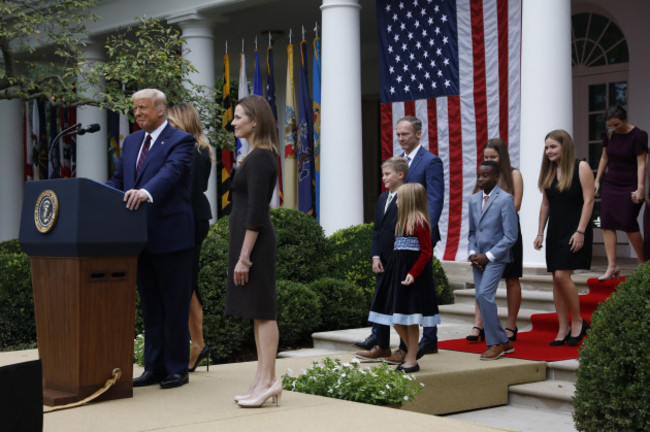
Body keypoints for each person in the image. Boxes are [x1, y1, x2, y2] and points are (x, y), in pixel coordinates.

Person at [106, 88, 195, 389]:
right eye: (135, 109)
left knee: (174, 305)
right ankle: (153, 366)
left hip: (171, 237)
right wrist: (100, 197)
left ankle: (176, 368)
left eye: (143, 108)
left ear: (161, 110)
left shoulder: (180, 140)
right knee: (151, 306)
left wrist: (146, 192)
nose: (138, 113)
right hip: (139, 239)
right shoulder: (131, 142)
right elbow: (119, 179)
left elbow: (170, 173)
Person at [354, 116, 444, 363]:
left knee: (410, 297)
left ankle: (415, 347)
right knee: (385, 294)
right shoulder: (394, 166)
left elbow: (434, 200)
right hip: (389, 243)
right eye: (398, 135)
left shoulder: (430, 162)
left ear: (418, 134)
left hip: (414, 239)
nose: (401, 138)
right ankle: (380, 341)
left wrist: (422, 229)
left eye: (405, 134)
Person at [226, 95, 281, 408]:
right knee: (258, 314)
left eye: (238, 117)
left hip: (255, 245)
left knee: (263, 310)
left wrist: (245, 257)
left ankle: (270, 380)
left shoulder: (261, 157)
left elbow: (257, 212)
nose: (233, 122)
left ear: (255, 121)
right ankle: (262, 379)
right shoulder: (253, 156)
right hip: (247, 242)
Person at [368, 183, 440, 373]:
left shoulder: (420, 222)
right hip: (397, 274)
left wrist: (413, 273)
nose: (397, 201)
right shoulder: (400, 222)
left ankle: (411, 358)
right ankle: (413, 351)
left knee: (410, 318)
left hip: (412, 277)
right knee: (396, 317)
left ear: (408, 201)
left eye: (399, 198)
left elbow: (426, 252)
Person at [534, 130, 594, 346]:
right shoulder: (549, 171)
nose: (548, 151)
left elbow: (589, 201)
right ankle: (563, 326)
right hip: (555, 230)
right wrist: (540, 232)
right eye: (547, 147)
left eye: (553, 147)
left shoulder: (581, 167)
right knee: (556, 280)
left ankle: (578, 321)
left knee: (561, 276)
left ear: (564, 146)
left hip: (575, 228)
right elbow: (546, 204)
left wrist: (581, 231)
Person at [167, 103, 213, 372]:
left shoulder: (195, 152)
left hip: (190, 220)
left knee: (187, 282)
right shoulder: (192, 149)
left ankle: (197, 343)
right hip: (186, 219)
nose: (167, 126)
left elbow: (188, 189)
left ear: (183, 123)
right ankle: (196, 343)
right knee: (186, 282)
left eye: (172, 122)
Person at [466, 139, 523, 343]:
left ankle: (505, 332)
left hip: (502, 242)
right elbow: (473, 229)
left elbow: (513, 211)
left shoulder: (510, 181)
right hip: (481, 249)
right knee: (482, 294)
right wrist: (472, 251)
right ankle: (483, 328)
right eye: (486, 157)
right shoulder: (477, 193)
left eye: (493, 157)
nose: (489, 160)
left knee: (505, 283)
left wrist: (489, 255)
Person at [356, 157, 409, 361]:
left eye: (387, 174)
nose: (384, 178)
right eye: (383, 174)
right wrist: (375, 256)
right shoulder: (381, 199)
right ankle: (382, 346)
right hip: (384, 262)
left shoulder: (408, 197)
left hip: (401, 260)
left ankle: (405, 348)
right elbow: (377, 230)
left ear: (400, 175)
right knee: (381, 303)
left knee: (400, 304)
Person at [594, 105, 647, 279]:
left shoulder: (638, 135)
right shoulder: (609, 133)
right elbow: (604, 157)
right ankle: (612, 266)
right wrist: (597, 180)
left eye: (616, 124)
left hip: (629, 184)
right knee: (607, 223)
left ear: (624, 119)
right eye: (611, 125)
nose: (614, 128)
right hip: (611, 183)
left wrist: (640, 187)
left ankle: (642, 263)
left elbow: (641, 163)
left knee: (628, 222)